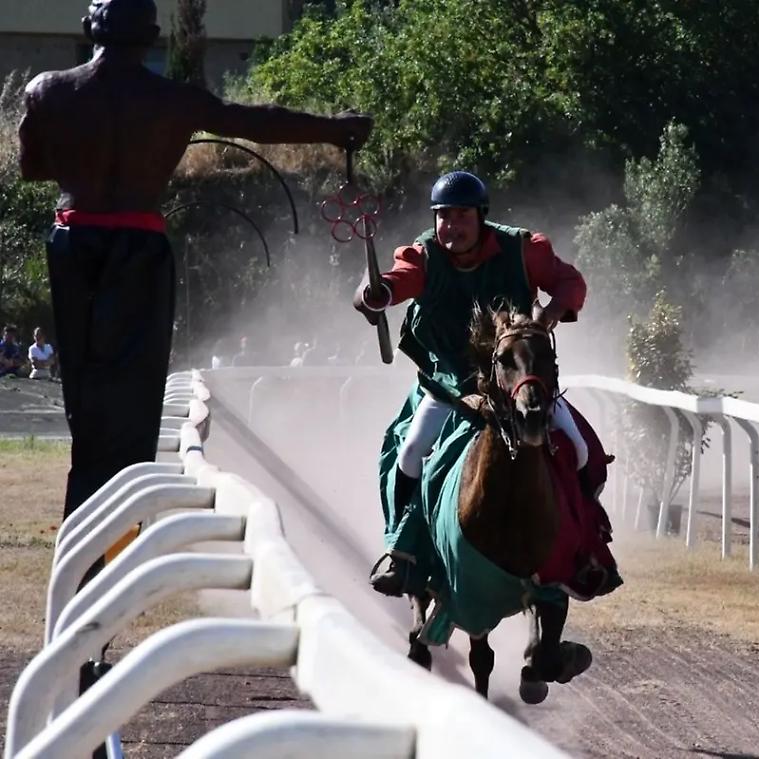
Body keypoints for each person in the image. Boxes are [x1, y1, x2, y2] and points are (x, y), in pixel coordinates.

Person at [18, 0, 373, 517]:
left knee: (84, 386)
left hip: (75, 241)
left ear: (88, 27)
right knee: (137, 394)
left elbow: (31, 168)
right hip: (139, 245)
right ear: (152, 36)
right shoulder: (174, 100)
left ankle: (85, 511)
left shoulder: (46, 89)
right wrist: (333, 128)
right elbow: (255, 122)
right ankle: (123, 516)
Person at [354, 170, 594, 595]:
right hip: (449, 384)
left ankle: (587, 548)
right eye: (443, 216)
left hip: (515, 384)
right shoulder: (423, 256)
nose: (452, 226)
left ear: (481, 217)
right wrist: (378, 294)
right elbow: (397, 279)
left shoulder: (524, 250)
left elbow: (570, 282)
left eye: (462, 216)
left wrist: (551, 313)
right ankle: (402, 552)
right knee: (410, 453)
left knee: (580, 450)